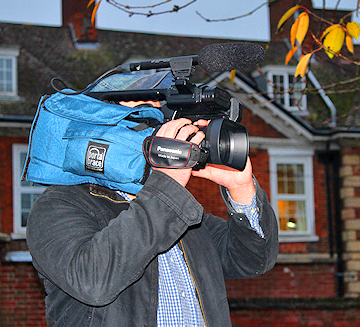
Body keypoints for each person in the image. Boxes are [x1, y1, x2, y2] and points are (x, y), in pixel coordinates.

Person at [26, 71, 279, 326]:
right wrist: (167, 184)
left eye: (161, 117)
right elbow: (93, 281)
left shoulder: (178, 209)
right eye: (143, 115)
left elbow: (251, 260)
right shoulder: (58, 205)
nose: (156, 126)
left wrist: (241, 189)